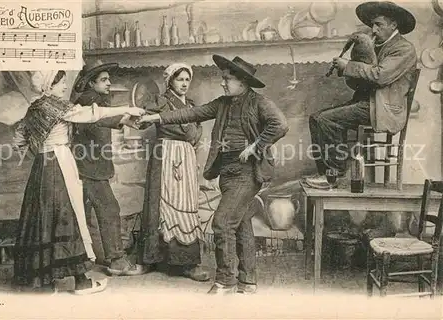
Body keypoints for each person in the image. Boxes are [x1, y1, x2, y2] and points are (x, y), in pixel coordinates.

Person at [138, 55, 289, 294]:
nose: (223, 83)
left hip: (247, 173)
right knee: (241, 224)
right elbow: (192, 114)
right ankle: (248, 281)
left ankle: (226, 281)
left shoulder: (259, 102)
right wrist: (157, 117)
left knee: (222, 223)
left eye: (227, 79)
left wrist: (256, 146)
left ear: (242, 81)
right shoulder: (222, 103)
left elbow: (280, 124)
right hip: (227, 173)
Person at [12, 70, 145, 294]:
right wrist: (127, 109)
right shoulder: (56, 106)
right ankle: (81, 282)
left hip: (42, 167)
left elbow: (18, 139)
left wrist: (41, 149)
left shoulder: (34, 109)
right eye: (61, 83)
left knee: (45, 218)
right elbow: (92, 114)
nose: (65, 86)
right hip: (60, 164)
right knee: (68, 215)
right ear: (49, 86)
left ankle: (45, 282)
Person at [304, 1, 417, 189]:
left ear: (393, 25)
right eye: (372, 24)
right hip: (369, 104)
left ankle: (334, 176)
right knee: (316, 118)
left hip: (383, 109)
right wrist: (349, 65)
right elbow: (363, 82)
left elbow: (380, 76)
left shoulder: (404, 49)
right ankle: (326, 173)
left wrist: (348, 66)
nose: (373, 29)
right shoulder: (378, 45)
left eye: (378, 24)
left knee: (326, 120)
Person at [70, 60, 145, 276]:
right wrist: (125, 119)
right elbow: (99, 117)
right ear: (90, 83)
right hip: (89, 167)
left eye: (108, 79)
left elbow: (103, 118)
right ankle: (116, 261)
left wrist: (126, 122)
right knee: (109, 209)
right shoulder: (88, 100)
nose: (109, 83)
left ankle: (85, 258)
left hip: (86, 165)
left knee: (84, 213)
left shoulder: (93, 100)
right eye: (103, 80)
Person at [136, 63, 209, 282]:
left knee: (185, 205)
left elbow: (196, 135)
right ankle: (149, 260)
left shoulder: (193, 106)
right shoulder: (161, 101)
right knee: (158, 205)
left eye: (187, 79)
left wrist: (193, 156)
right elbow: (140, 122)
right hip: (165, 154)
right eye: (180, 79)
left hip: (185, 157)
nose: (184, 84)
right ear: (170, 81)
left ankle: (187, 264)